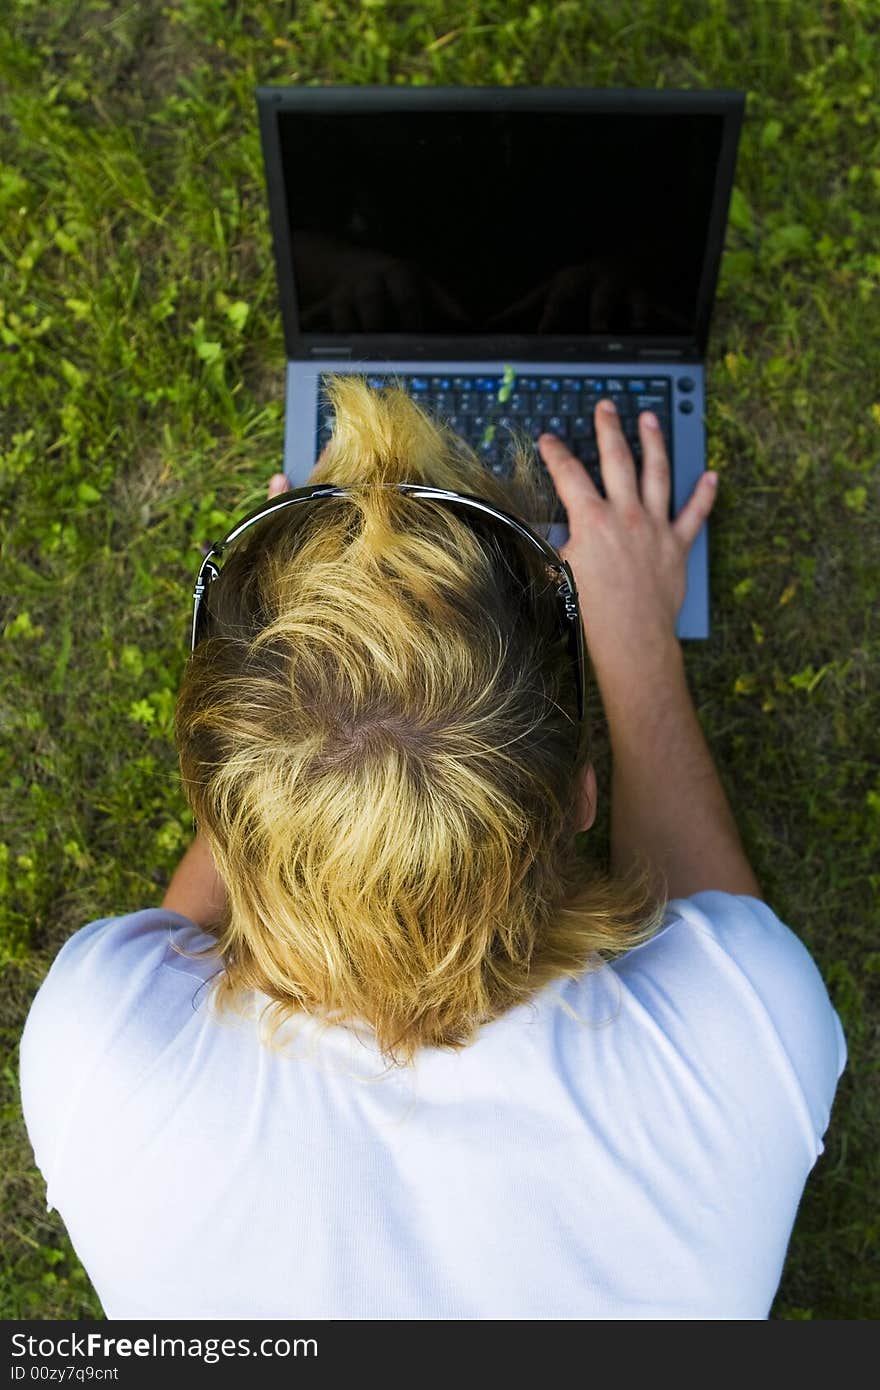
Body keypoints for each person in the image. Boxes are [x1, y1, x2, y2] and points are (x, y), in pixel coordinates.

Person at [19, 377, 846, 1320]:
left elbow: (216, 887)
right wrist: (632, 639)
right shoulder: (750, 1036)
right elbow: (720, 929)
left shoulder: (99, 1058)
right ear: (587, 792)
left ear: (214, 800)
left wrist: (277, 711)